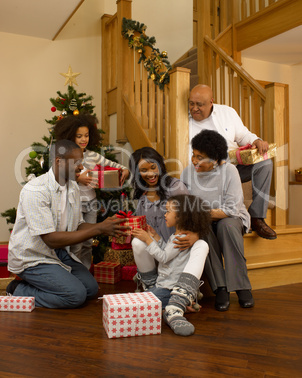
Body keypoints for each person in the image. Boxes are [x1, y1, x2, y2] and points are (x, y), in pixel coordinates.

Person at [7, 140, 129, 309]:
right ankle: (18, 289)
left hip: (58, 254)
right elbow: (50, 239)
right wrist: (99, 228)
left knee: (91, 289)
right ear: (59, 161)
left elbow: (78, 225)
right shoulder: (35, 190)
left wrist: (106, 226)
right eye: (77, 163)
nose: (82, 168)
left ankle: (46, 283)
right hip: (33, 257)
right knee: (75, 296)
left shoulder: (73, 187)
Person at [188, 84, 276, 240]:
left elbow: (243, 136)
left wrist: (256, 140)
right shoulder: (184, 123)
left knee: (265, 163)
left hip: (234, 167)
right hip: (208, 173)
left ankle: (257, 217)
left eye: (199, 105)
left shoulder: (227, 112)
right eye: (191, 103)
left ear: (211, 103)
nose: (194, 108)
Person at [181, 129, 254, 311]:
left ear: (215, 159)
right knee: (202, 229)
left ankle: (241, 285)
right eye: (193, 155)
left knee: (227, 227)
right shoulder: (187, 173)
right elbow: (185, 205)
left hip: (231, 218)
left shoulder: (229, 171)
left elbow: (231, 210)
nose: (194, 161)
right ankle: (220, 287)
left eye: (201, 157)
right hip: (205, 221)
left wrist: (199, 212)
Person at [54, 114, 130, 269]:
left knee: (88, 242)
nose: (84, 139)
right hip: (73, 204)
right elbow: (58, 179)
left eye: (87, 135)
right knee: (75, 242)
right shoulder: (66, 157)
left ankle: (86, 271)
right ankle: (73, 273)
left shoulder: (93, 156)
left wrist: (125, 170)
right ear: (70, 136)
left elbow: (117, 165)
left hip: (91, 203)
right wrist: (77, 178)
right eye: (79, 136)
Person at [132, 194, 210, 337]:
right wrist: (156, 237)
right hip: (163, 285)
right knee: (144, 300)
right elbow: (168, 255)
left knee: (140, 303)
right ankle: (177, 306)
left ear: (180, 217)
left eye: (168, 211)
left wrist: (147, 240)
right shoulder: (177, 236)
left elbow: (163, 257)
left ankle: (171, 309)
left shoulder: (179, 238)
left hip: (168, 288)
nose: (165, 214)